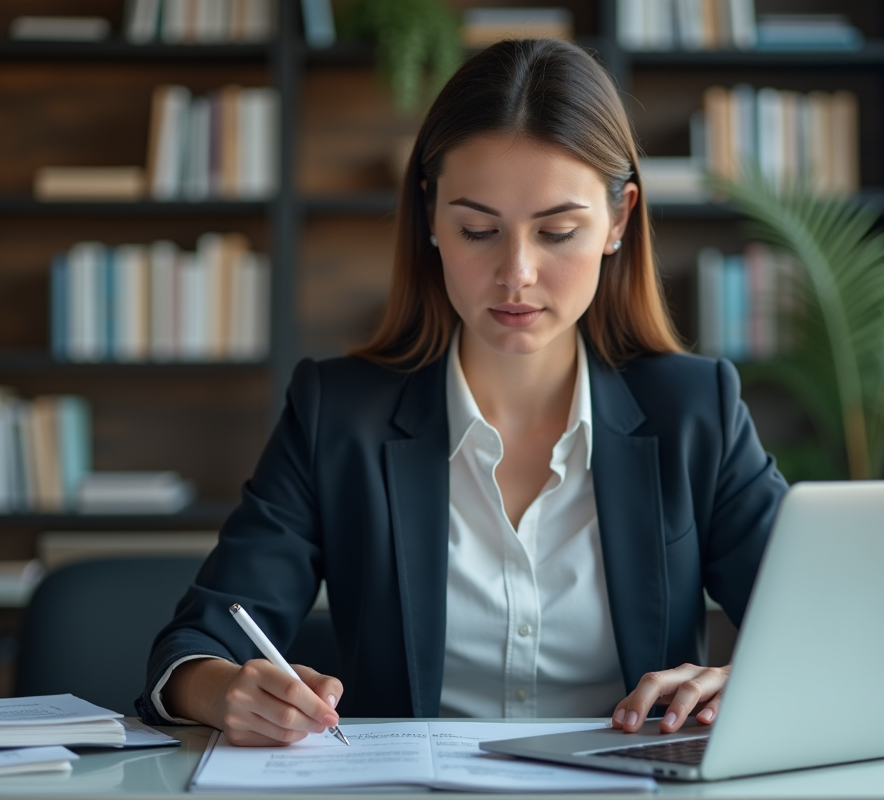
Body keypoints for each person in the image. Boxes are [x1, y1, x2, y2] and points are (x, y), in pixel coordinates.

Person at [135, 38, 788, 746]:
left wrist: (744, 681)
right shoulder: (337, 413)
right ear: (431, 217)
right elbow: (195, 645)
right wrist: (224, 690)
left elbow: (832, 631)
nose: (516, 273)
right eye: (478, 229)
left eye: (558, 232)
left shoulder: (697, 410)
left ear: (619, 220)